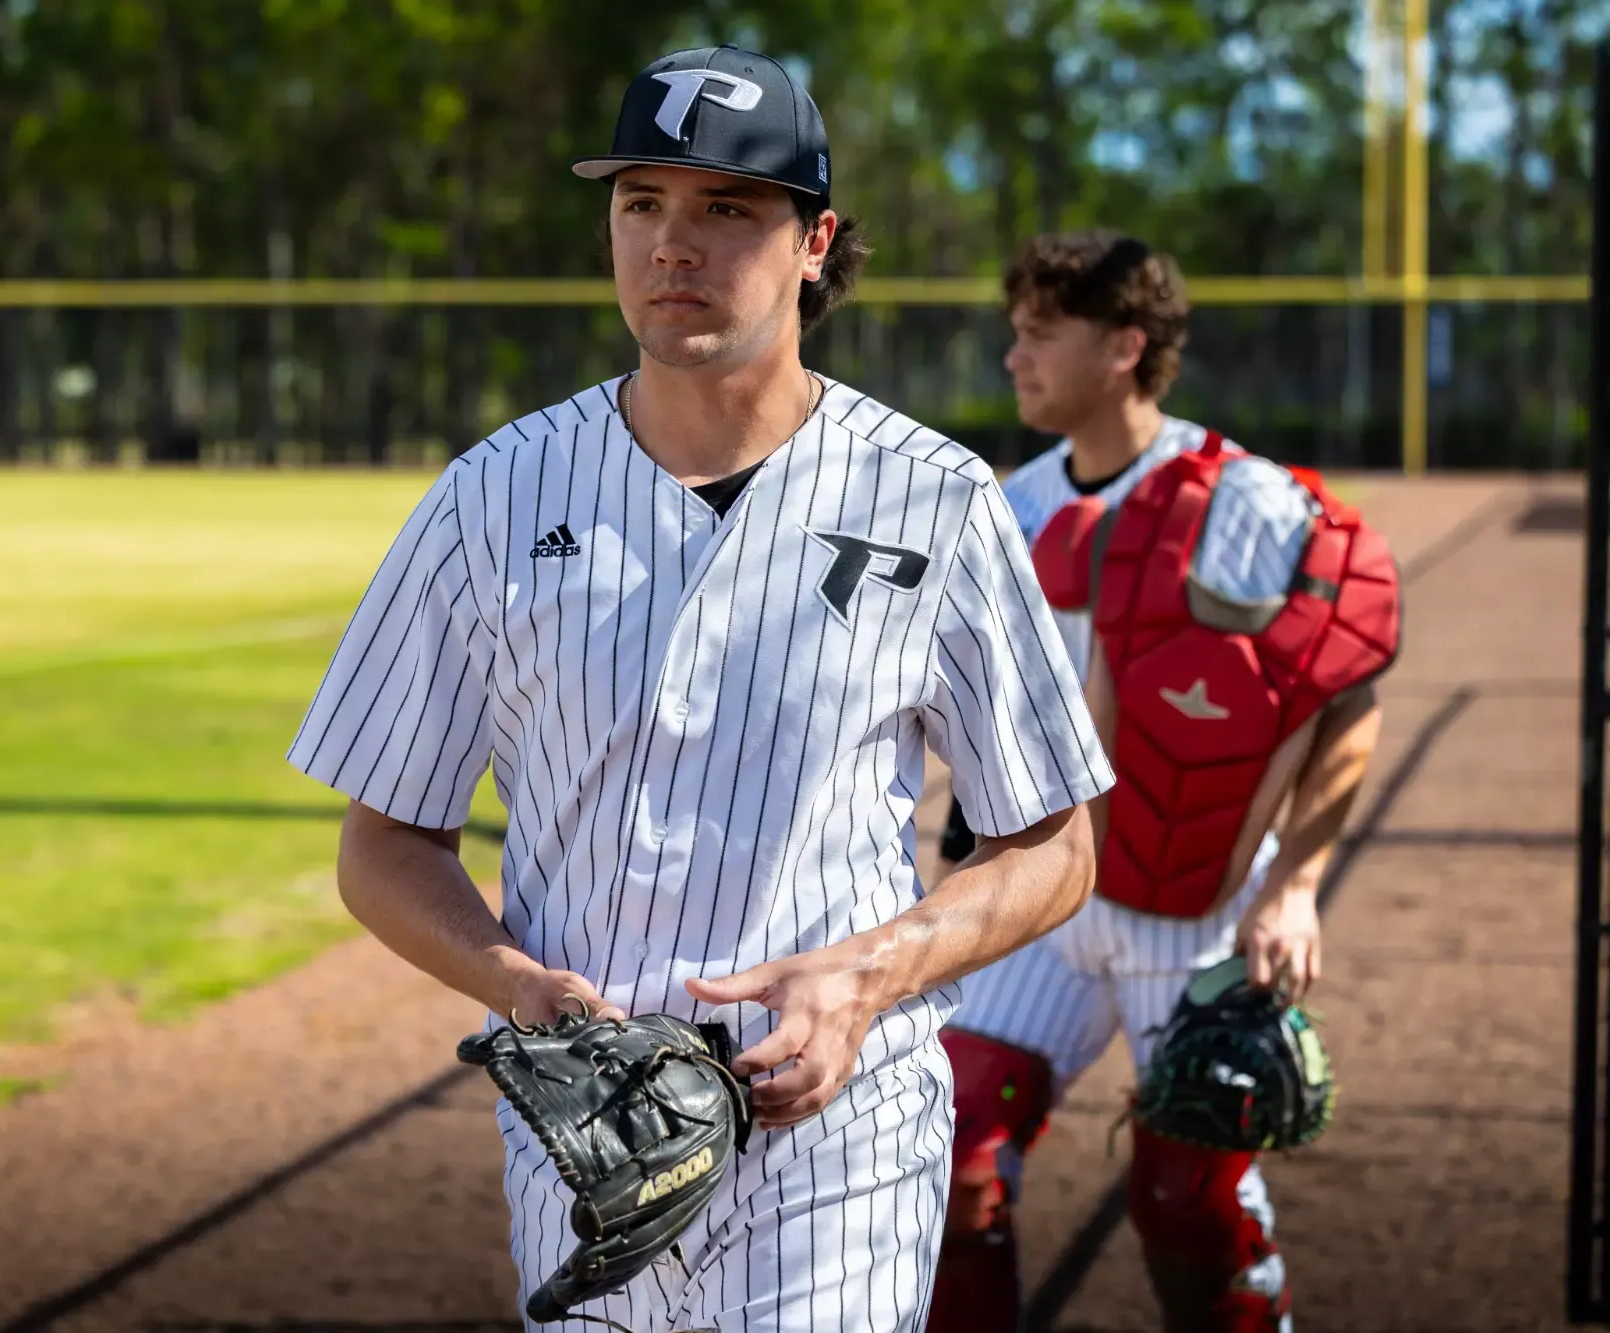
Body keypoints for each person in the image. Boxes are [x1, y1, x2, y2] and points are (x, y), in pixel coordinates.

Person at [289, 47, 1114, 1333]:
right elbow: (382, 840)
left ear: (813, 243)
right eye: (641, 204)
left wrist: (872, 973)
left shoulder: (933, 497)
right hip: (585, 1141)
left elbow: (1053, 844)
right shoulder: (492, 497)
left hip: (840, 1135)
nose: (672, 244)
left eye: (725, 207)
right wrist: (521, 988)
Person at [925, 232, 1393, 1333]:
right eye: (1014, 332)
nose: (1014, 356)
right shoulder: (1013, 506)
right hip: (1044, 901)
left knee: (1190, 1202)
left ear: (1125, 347)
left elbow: (1348, 702)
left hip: (1193, 908)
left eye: (1041, 333)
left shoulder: (1244, 502)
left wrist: (1297, 886)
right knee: (953, 1157)